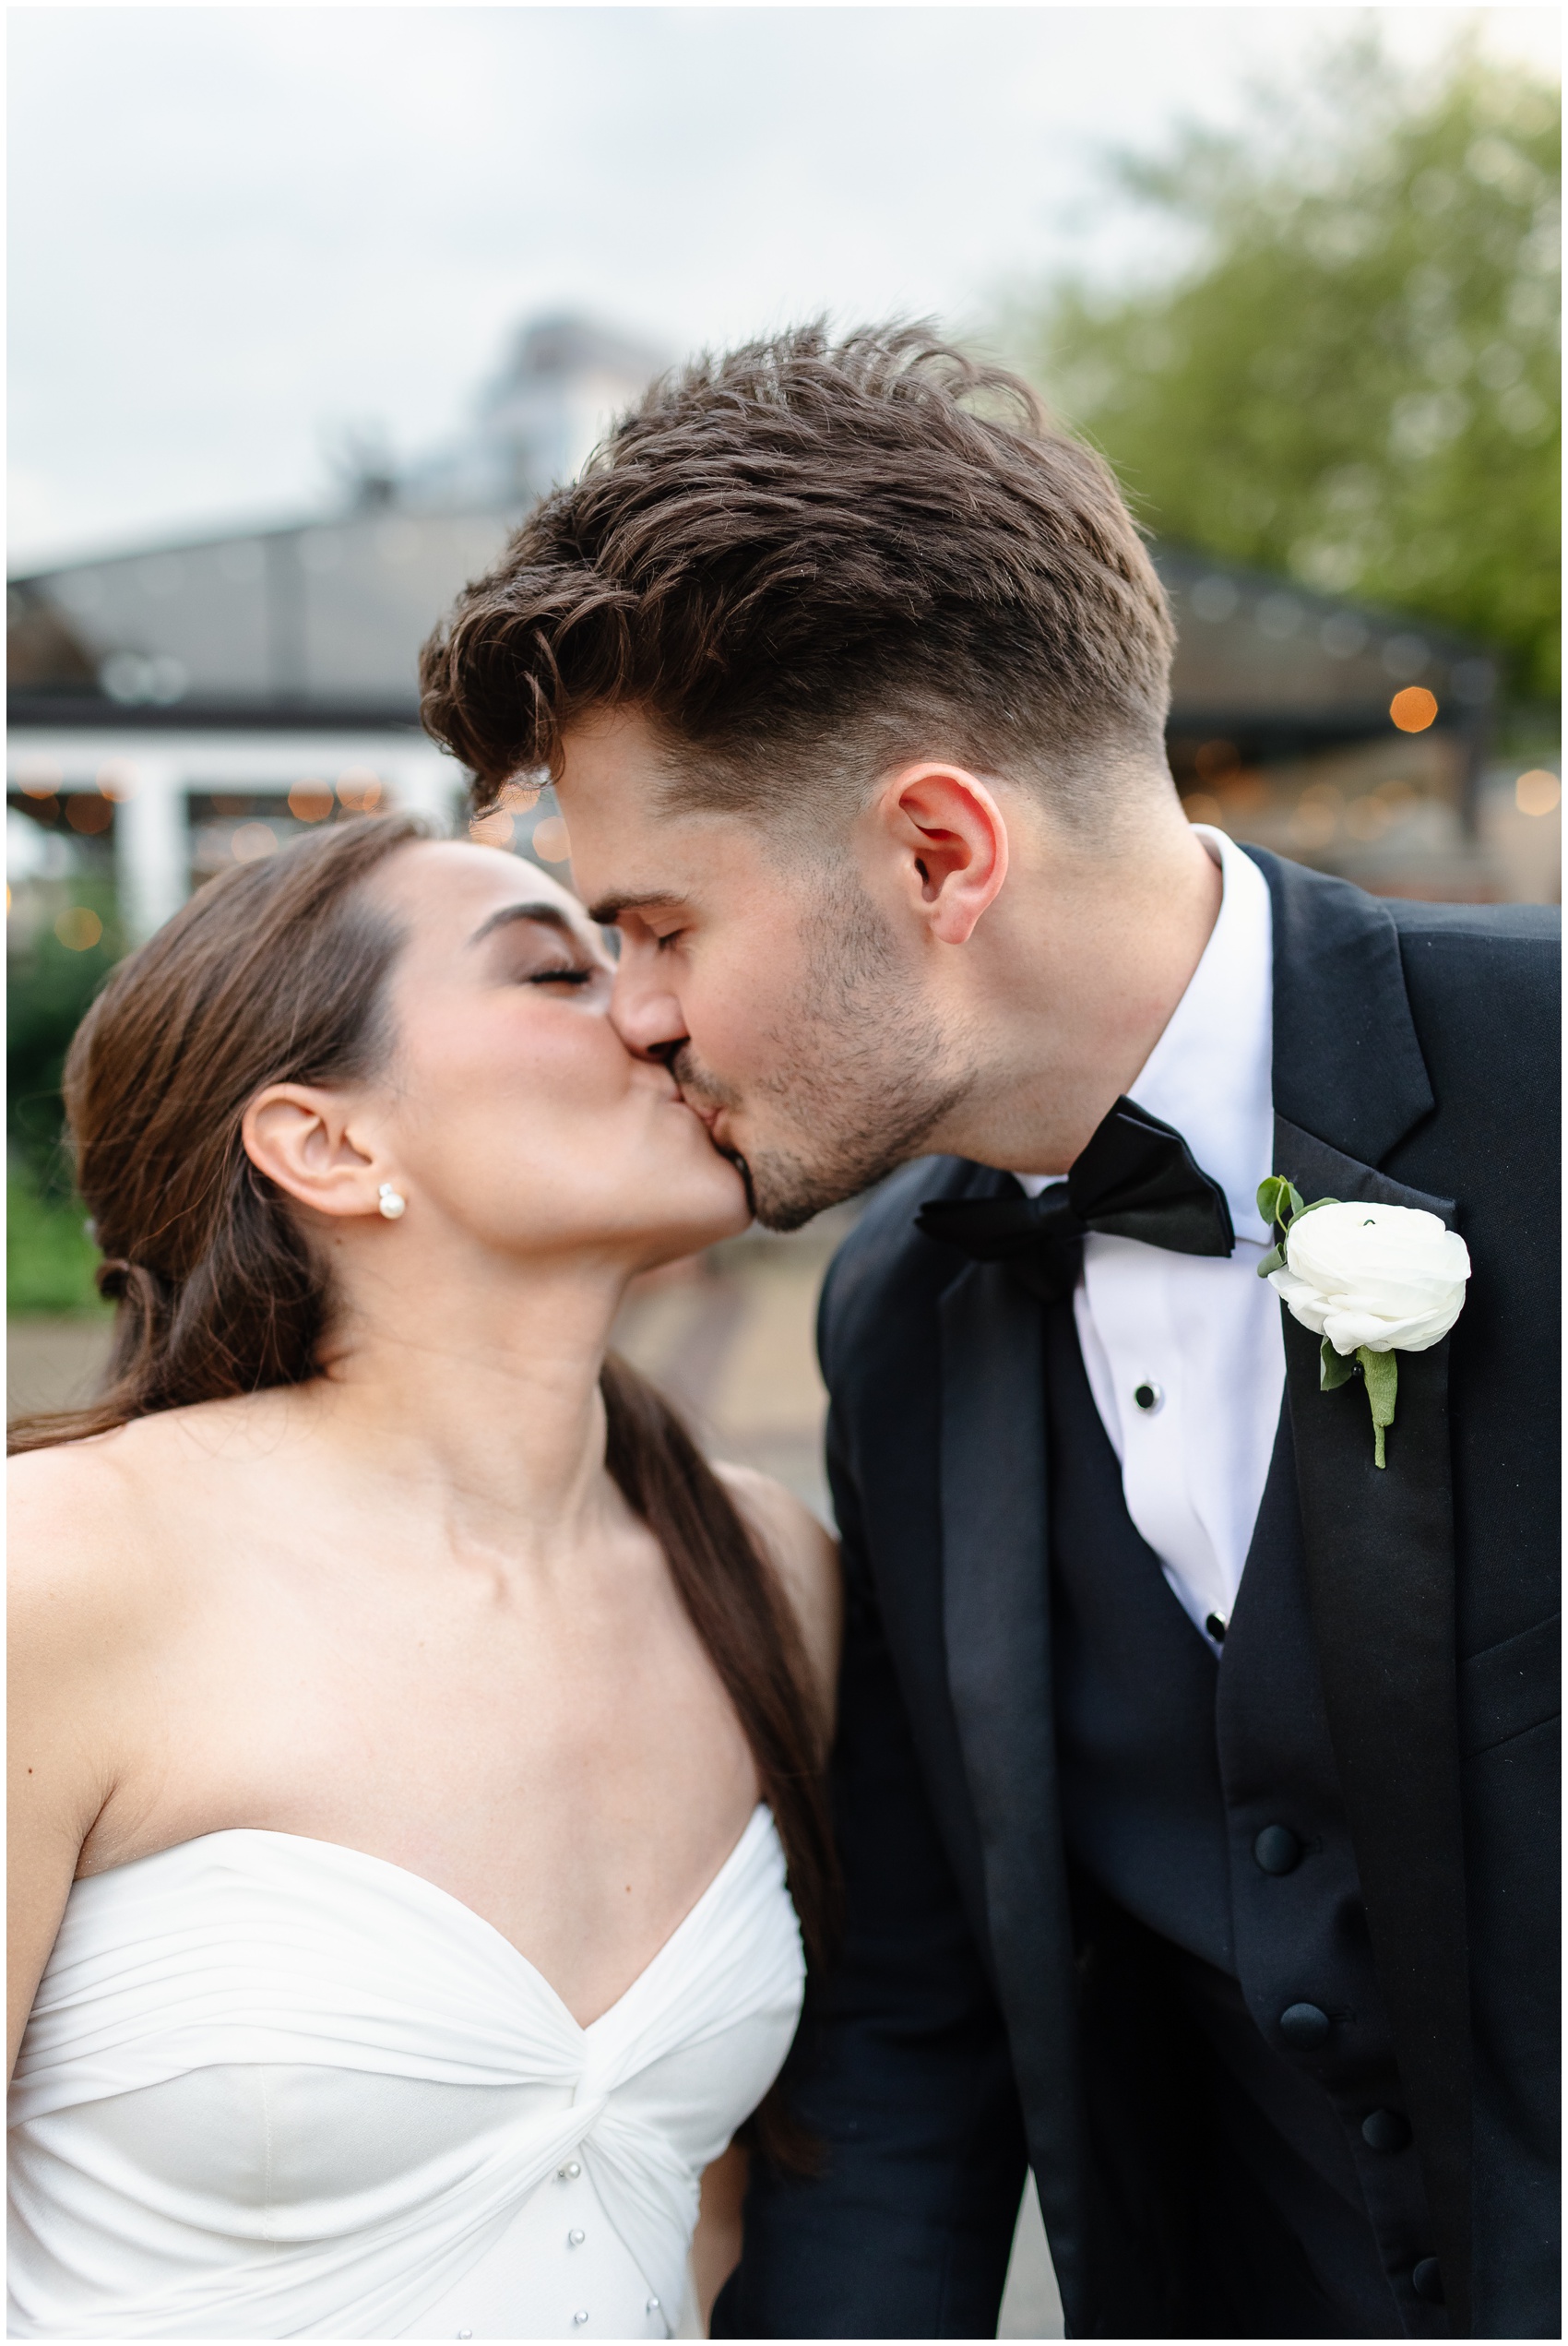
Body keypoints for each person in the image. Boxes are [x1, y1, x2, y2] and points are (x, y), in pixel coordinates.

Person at [420, 321, 1561, 2340]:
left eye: (662, 925)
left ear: (940, 853)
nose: (635, 1014)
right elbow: (917, 2031)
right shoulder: (897, 1308)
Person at [6, 814, 840, 2341]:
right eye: (554, 973)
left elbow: (718, 2211)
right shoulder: (58, 1572)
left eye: (640, 960)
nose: (660, 1013)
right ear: (329, 1142)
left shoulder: (769, 1572)